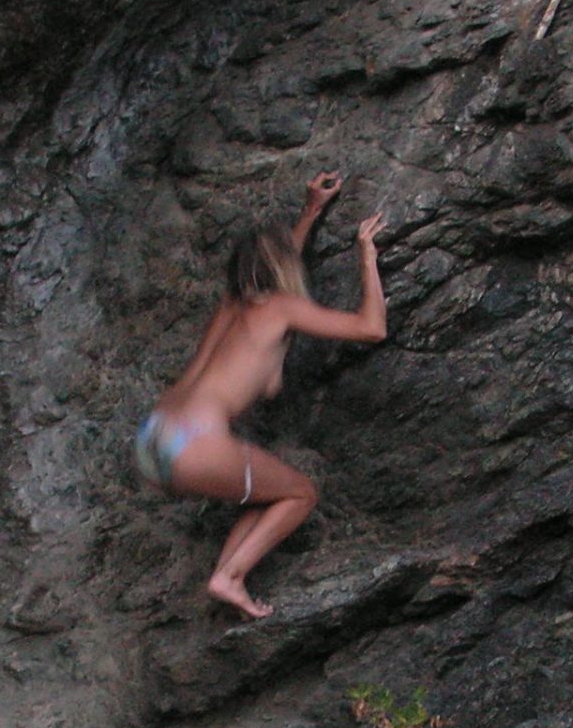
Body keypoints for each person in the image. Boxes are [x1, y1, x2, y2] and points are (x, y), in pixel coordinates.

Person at [135, 171, 388, 620]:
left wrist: (311, 210)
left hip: (154, 439)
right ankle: (228, 577)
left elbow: (279, 259)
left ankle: (228, 575)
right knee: (301, 494)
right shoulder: (282, 308)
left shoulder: (231, 306)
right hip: (197, 443)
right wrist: (366, 255)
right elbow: (371, 328)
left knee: (270, 492)